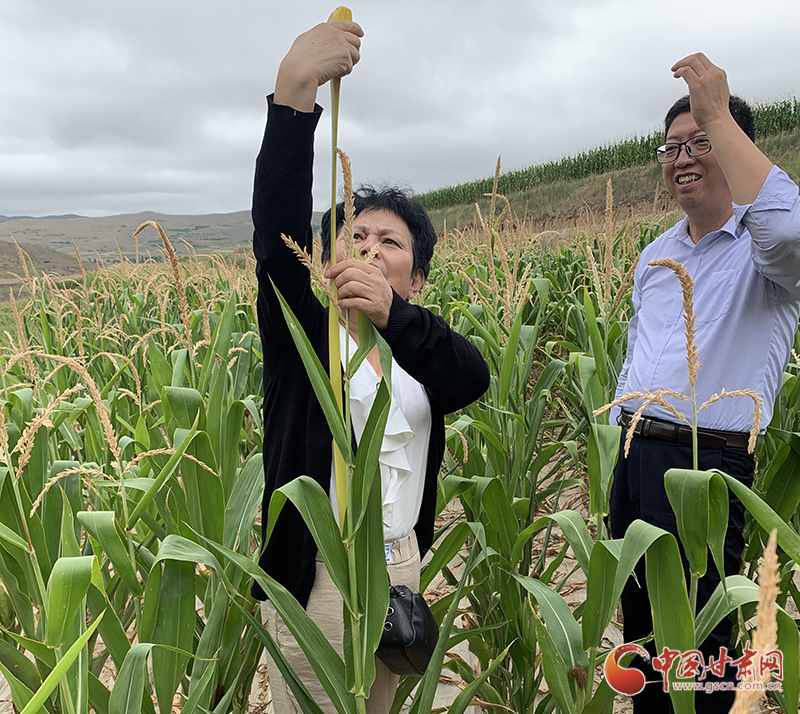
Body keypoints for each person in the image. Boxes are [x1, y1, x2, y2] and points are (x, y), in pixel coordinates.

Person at [250, 20, 490, 714]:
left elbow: (469, 379)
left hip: (399, 565)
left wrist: (394, 318)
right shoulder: (305, 334)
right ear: (328, 257)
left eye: (390, 241)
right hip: (320, 572)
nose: (368, 246)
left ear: (416, 277)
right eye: (353, 234)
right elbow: (275, 233)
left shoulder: (418, 349)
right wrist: (295, 93)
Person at [611, 53, 800, 713]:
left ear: (731, 145)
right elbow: (641, 347)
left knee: (698, 639)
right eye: (672, 147)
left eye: (701, 143)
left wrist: (718, 112)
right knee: (643, 634)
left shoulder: (768, 255)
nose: (682, 158)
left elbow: (789, 228)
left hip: (705, 462)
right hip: (635, 454)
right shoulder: (656, 254)